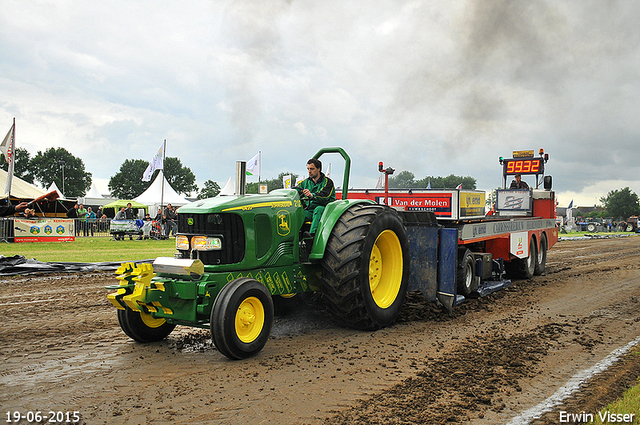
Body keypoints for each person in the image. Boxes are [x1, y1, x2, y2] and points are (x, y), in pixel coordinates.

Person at [296, 158, 335, 239]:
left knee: (318, 210)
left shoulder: (328, 182)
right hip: (310, 209)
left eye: (312, 169)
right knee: (298, 214)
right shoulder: (305, 182)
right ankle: (295, 236)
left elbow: (325, 195)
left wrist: (311, 195)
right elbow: (297, 190)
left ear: (319, 169)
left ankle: (312, 237)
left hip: (325, 209)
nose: (309, 171)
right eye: (308, 169)